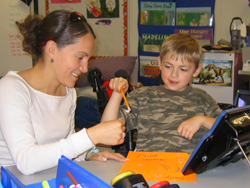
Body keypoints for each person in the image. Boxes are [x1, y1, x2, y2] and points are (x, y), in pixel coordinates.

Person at [0, 10, 127, 175]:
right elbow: (26, 161)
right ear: (52, 49)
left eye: (88, 59)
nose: (85, 68)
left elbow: (64, 149)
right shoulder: (11, 89)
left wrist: (89, 154)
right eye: (80, 57)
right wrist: (91, 136)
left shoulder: (67, 91)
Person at [101, 33, 222, 154]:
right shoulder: (142, 97)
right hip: (150, 167)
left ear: (196, 71)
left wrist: (202, 120)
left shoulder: (202, 98)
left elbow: (229, 129)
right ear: (159, 63)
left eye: (183, 69)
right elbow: (106, 130)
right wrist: (117, 94)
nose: (174, 74)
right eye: (168, 67)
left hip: (189, 170)